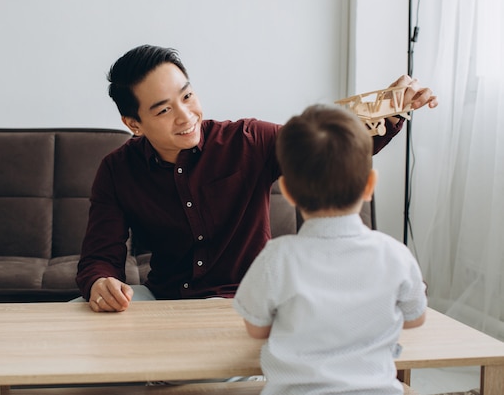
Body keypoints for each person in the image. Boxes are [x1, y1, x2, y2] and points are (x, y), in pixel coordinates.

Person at [76, 44, 437, 313]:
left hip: (245, 302)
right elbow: (99, 257)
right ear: (133, 124)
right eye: (165, 109)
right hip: (166, 301)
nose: (186, 116)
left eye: (187, 96)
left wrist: (392, 107)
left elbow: (327, 145)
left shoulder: (249, 140)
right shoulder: (116, 170)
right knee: (80, 315)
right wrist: (100, 283)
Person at [233, 105, 427, 395]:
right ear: (369, 184)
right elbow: (416, 318)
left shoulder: (277, 256)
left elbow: (256, 329)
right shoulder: (395, 254)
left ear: (285, 191)